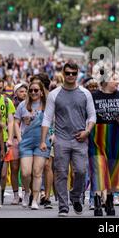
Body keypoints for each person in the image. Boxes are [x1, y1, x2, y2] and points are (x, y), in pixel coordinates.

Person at [40, 62, 96, 217]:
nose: (71, 76)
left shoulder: (85, 93)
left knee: (80, 171)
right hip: (61, 139)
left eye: (73, 73)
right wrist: (43, 140)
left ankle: (76, 195)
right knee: (61, 173)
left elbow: (92, 116)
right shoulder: (54, 94)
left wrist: (87, 131)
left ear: (77, 74)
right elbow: (47, 118)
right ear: (63, 74)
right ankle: (63, 206)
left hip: (80, 139)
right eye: (68, 73)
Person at [89, 74, 119, 216]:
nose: (118, 82)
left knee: (112, 169)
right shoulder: (93, 96)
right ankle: (96, 200)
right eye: (114, 79)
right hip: (97, 135)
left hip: (116, 136)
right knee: (98, 168)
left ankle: (108, 198)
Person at [15, 80, 51, 210]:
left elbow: (56, 121)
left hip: (42, 142)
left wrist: (53, 135)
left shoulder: (48, 106)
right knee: (25, 173)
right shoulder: (22, 105)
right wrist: (19, 138)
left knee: (37, 172)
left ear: (41, 92)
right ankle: (26, 192)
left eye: (36, 90)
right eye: (31, 90)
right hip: (26, 142)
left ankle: (35, 199)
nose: (33, 93)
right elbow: (16, 122)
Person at [0, 76, 16, 204]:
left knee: (2, 174)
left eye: (0, 88)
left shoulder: (7, 102)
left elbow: (11, 121)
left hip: (4, 140)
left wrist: (10, 138)